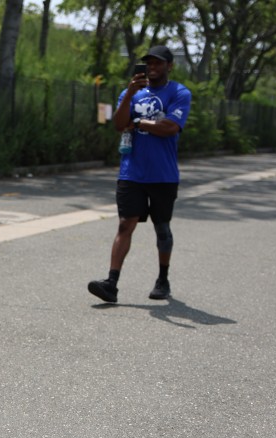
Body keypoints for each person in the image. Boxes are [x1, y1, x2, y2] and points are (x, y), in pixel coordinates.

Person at [88, 45, 192, 303]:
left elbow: (170, 127)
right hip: (131, 172)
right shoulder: (131, 93)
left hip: (163, 174)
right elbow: (118, 124)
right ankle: (111, 284)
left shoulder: (179, 92)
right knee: (125, 224)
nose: (152, 67)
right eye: (149, 63)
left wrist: (137, 122)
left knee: (162, 228)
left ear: (169, 66)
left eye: (158, 63)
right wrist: (129, 95)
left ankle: (163, 279)